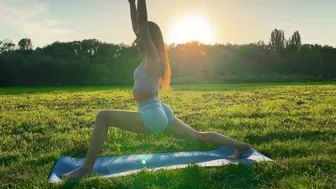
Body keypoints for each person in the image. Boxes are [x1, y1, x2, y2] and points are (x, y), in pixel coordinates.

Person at [61, 0, 250, 179]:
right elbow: (138, 26)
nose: (137, 40)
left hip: (152, 115)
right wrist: (131, 3)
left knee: (103, 116)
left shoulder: (153, 58)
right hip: (160, 110)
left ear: (149, 38)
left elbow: (142, 25)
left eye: (140, 37)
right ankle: (240, 145)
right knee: (198, 136)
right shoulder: (150, 58)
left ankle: (87, 168)